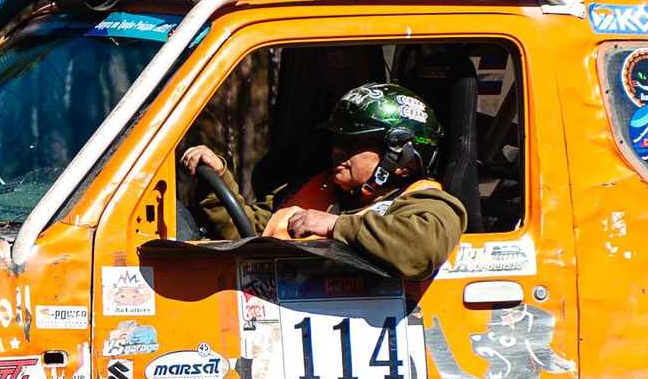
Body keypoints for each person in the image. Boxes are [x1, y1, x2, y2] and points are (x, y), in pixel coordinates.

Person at [179, 81, 467, 281]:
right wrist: (217, 178)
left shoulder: (431, 204)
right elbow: (245, 231)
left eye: (355, 143)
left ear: (401, 157)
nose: (338, 150)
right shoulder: (316, 188)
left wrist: (333, 225)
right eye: (338, 140)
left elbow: (421, 250)